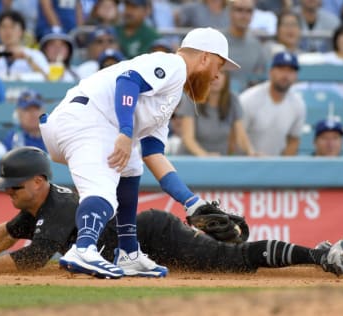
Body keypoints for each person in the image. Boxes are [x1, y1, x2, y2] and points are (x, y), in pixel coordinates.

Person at [0, 146, 343, 278]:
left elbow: (31, 259)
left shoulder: (61, 205)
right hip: (133, 246)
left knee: (231, 262)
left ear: (37, 182)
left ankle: (320, 255)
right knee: (225, 263)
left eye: (13, 187)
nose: (8, 194)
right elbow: (8, 232)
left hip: (153, 236)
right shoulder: (39, 203)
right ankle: (316, 254)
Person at [38, 27, 242, 279]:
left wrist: (192, 203)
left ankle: (128, 253)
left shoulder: (170, 93)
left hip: (86, 123)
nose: (216, 76)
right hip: (85, 120)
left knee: (132, 164)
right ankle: (84, 248)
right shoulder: (172, 64)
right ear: (204, 58)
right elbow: (128, 80)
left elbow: (153, 154)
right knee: (103, 191)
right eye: (218, 65)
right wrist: (125, 132)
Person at [175, 68, 256, 156]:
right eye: (211, 72)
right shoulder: (192, 98)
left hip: (218, 162)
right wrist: (206, 156)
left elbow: (241, 136)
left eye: (222, 73)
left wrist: (252, 152)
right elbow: (187, 138)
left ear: (227, 78)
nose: (216, 77)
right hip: (191, 161)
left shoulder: (233, 100)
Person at [239, 52, 306, 156]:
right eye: (281, 69)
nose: (285, 75)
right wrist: (252, 153)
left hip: (276, 166)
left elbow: (293, 139)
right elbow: (238, 133)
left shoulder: (298, 104)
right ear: (271, 72)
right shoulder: (248, 99)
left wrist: (282, 165)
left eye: (290, 71)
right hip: (245, 162)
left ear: (296, 76)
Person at [0, 10, 50, 81]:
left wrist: (29, 60)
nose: (7, 31)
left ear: (22, 31)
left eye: (12, 27)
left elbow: (49, 80)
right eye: (3, 27)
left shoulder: (35, 55)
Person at [225, 0, 268, 92]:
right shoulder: (218, 41)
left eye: (249, 11)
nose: (244, 15)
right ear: (230, 12)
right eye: (239, 10)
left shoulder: (257, 46)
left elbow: (260, 80)